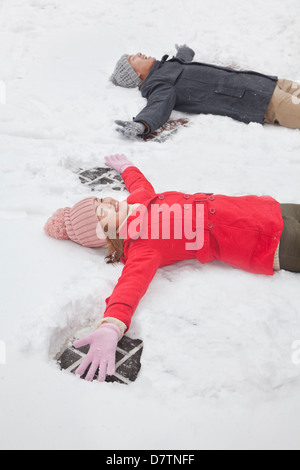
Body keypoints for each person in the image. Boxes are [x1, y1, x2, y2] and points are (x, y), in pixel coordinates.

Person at [44, 154, 300, 382]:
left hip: (268, 210)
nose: (109, 201)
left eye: (101, 199)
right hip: (274, 242)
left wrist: (127, 168)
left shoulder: (141, 202)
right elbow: (130, 285)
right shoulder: (143, 244)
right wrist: (111, 326)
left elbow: (139, 185)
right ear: (105, 234)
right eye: (102, 212)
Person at [110, 45, 300, 138]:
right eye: (132, 58)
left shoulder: (166, 67)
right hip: (259, 100)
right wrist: (143, 124)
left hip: (263, 83)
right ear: (136, 74)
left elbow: (182, 59)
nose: (138, 54)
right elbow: (158, 105)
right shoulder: (158, 84)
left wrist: (185, 50)